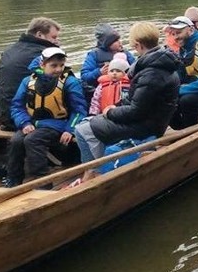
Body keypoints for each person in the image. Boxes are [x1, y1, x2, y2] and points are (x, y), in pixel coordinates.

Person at [74, 22, 181, 167]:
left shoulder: (152, 73)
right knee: (88, 121)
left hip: (147, 126)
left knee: (82, 129)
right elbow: (136, 101)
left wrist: (110, 112)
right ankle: (103, 164)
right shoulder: (159, 64)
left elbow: (136, 111)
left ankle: (93, 171)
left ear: (138, 45)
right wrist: (115, 107)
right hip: (151, 120)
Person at [6, 47, 87, 187]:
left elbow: (79, 110)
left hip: (59, 125)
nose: (58, 69)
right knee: (16, 141)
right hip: (33, 123)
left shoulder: (70, 82)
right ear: (42, 65)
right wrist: (24, 123)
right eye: (53, 65)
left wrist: (70, 129)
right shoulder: (27, 81)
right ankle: (14, 181)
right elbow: (16, 106)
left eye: (61, 65)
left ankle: (43, 183)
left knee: (33, 140)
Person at [0, 17, 61, 131]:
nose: (57, 41)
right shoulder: (43, 55)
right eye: (54, 37)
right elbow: (63, 83)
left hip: (6, 117)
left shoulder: (9, 50)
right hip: (24, 120)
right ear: (40, 35)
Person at [80, 24, 135, 101]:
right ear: (108, 43)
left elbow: (135, 67)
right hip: (103, 92)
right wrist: (99, 72)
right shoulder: (94, 54)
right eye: (116, 41)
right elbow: (84, 76)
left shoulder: (125, 53)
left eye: (119, 39)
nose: (120, 42)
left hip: (125, 90)